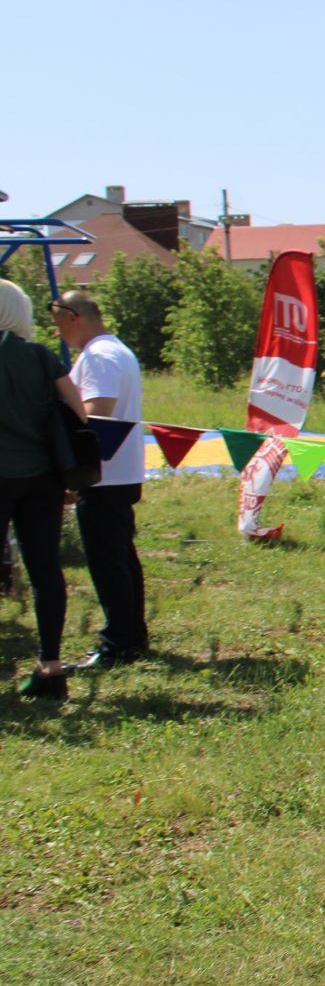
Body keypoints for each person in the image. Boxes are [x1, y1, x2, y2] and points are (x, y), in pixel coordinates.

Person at [0, 280, 88, 699]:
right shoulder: (42, 356)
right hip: (42, 480)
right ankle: (51, 667)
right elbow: (79, 413)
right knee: (46, 570)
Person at [52, 290, 149, 668]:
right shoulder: (112, 351)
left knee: (109, 563)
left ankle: (118, 644)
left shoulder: (99, 356)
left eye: (59, 325)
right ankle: (131, 636)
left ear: (74, 317)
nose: (58, 333)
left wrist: (72, 473)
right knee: (121, 558)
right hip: (115, 472)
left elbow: (94, 418)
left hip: (103, 475)